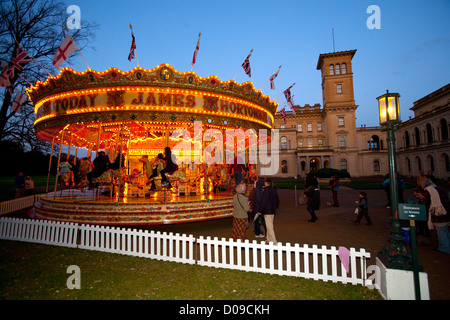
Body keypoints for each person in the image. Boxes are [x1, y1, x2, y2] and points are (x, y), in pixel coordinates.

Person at [422, 179, 450, 254]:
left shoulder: (429, 190)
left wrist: (421, 199)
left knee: (441, 231)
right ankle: (447, 245)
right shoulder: (438, 189)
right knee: (445, 230)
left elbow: (426, 201)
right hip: (445, 211)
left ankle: (444, 247)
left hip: (438, 213)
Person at [256, 178, 279, 244]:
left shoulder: (266, 191)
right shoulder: (274, 190)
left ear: (266, 183)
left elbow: (263, 202)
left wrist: (260, 210)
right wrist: (275, 207)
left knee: (269, 226)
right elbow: (277, 201)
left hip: (267, 210)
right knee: (269, 224)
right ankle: (268, 239)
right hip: (272, 210)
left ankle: (274, 241)